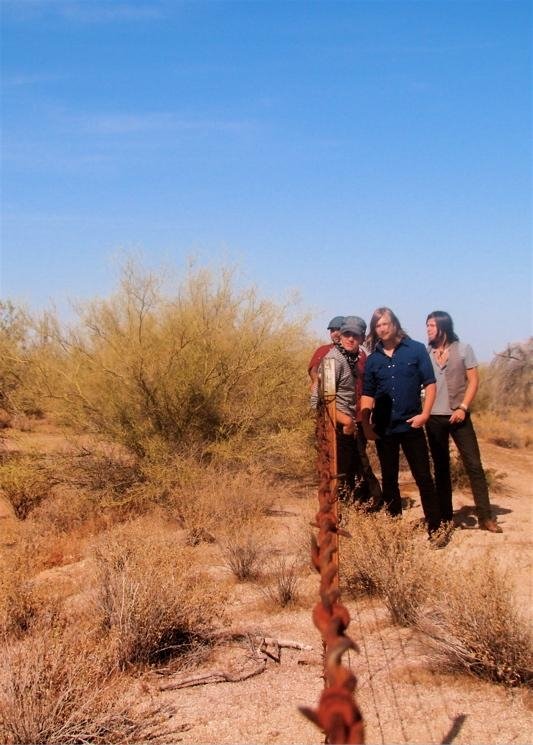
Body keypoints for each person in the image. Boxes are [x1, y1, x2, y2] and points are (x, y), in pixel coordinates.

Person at [360, 307, 445, 541]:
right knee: (389, 480)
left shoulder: (416, 350)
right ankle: (394, 529)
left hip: (411, 425)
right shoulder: (373, 359)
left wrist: (425, 414)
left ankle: (436, 529)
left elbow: (430, 384)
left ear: (395, 324)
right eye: (378, 325)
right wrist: (365, 424)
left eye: (385, 323)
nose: (382, 328)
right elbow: (368, 393)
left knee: (423, 478)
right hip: (384, 428)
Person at [425, 310, 502, 533]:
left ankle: (485, 517)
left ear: (443, 327)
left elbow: (474, 381)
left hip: (459, 415)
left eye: (431, 325)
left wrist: (463, 407)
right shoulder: (426, 352)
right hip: (434, 417)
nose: (428, 329)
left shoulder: (463, 349)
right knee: (441, 468)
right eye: (427, 325)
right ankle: (446, 517)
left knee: (474, 465)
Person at [311, 316, 381, 504]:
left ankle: (345, 510)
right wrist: (347, 420)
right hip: (334, 427)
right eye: (347, 334)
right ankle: (332, 516)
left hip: (343, 424)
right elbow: (321, 400)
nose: (350, 339)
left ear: (362, 338)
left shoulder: (351, 358)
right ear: (340, 336)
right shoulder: (333, 360)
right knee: (335, 474)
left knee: (346, 471)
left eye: (355, 335)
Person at [308, 316, 345, 386]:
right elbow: (313, 370)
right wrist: (316, 382)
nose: (335, 334)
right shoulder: (323, 350)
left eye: (338, 330)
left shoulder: (356, 352)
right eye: (332, 331)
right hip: (327, 389)